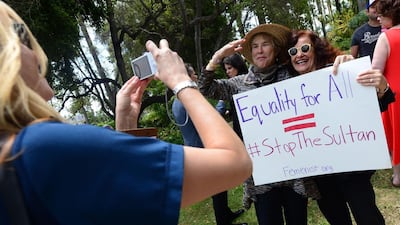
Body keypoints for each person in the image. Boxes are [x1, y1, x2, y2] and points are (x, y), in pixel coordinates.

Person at [0, 2, 253, 224]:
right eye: (20, 34)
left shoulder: (12, 154)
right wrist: (181, 82)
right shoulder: (42, 147)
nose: (34, 50)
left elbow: (109, 205)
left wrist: (126, 131)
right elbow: (236, 163)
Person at [199, 23, 319, 225]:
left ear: (275, 49)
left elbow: (317, 72)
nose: (260, 50)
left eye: (265, 44)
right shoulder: (239, 84)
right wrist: (218, 56)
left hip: (295, 174)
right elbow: (204, 88)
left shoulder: (291, 75)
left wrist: (343, 60)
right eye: (255, 46)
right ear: (250, 52)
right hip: (262, 177)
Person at [289, 29, 394, 225]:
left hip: (352, 169)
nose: (299, 54)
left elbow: (379, 101)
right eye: (293, 52)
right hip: (321, 175)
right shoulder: (285, 92)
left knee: (368, 217)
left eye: (304, 48)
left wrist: (381, 86)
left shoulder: (340, 71)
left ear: (316, 50)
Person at [171, 63, 247, 225]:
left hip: (193, 148)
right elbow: (212, 117)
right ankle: (223, 221)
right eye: (194, 75)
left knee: (219, 186)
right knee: (219, 188)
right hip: (205, 150)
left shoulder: (176, 102)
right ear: (188, 77)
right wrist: (222, 99)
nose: (197, 78)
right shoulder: (189, 99)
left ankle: (226, 214)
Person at [372, 0, 400, 187]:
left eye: (382, 14)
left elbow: (375, 71)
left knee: (397, 135)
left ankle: (398, 176)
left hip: (395, 95)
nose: (378, 18)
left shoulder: (387, 37)